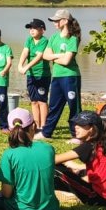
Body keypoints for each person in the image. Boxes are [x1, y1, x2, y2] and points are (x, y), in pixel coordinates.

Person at [0, 108, 59, 210]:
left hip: (20, 209)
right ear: (34, 126)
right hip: (51, 208)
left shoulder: (9, 154)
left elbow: (7, 193)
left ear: (11, 130)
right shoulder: (48, 148)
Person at [53, 111, 106, 206]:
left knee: (55, 169)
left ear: (92, 128)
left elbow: (53, 160)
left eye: (81, 124)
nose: (76, 127)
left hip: (100, 198)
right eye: (76, 124)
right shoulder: (105, 143)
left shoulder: (89, 146)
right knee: (76, 172)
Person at [38, 9, 82, 140]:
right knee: (54, 106)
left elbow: (67, 61)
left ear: (65, 21)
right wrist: (58, 55)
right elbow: (45, 55)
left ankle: (76, 135)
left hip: (70, 76)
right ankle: (47, 133)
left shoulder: (72, 39)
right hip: (57, 76)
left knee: (74, 106)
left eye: (56, 20)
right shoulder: (53, 37)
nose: (54, 23)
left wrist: (53, 57)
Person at [18, 19, 50, 131]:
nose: (32, 31)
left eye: (35, 28)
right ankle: (36, 125)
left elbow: (39, 56)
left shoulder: (44, 41)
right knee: (33, 101)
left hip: (42, 75)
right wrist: (20, 65)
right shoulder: (29, 40)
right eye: (30, 28)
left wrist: (27, 67)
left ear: (42, 30)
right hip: (31, 76)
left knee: (42, 100)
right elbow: (25, 52)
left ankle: (43, 126)